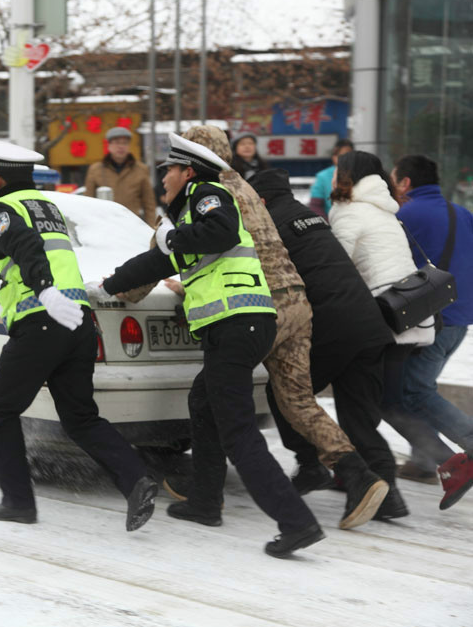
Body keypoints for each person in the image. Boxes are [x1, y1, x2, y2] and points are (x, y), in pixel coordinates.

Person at [132, 125, 387, 530]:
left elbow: (165, 251)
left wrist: (122, 290)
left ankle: (210, 493)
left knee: (213, 398)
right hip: (297, 305)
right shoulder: (248, 189)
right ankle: (358, 474)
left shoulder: (203, 192)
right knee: (297, 401)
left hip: (256, 307)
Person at [102, 133, 324, 558]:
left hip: (236, 325)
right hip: (243, 325)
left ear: (187, 172)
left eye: (168, 170)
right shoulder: (189, 219)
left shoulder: (209, 194)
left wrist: (175, 240)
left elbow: (219, 232)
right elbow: (158, 261)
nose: (163, 177)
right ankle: (204, 501)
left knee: (239, 433)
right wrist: (109, 284)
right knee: (203, 402)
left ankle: (297, 522)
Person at [0, 140, 159, 530]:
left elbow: (27, 249)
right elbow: (34, 254)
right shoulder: (48, 208)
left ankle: (18, 501)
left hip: (41, 319)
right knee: (79, 416)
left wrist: (43, 289)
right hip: (78, 322)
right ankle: (136, 480)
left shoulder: (2, 208)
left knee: (2, 411)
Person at [249, 168, 407, 520]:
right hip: (369, 324)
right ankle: (389, 498)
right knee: (357, 416)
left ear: (258, 199)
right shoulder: (310, 216)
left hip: (331, 326)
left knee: (289, 395)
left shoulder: (267, 225)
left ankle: (312, 466)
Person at [328, 150, 439, 518]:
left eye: (337, 169)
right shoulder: (385, 209)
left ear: (348, 175)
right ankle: (361, 478)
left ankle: (382, 490)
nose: (332, 175)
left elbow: (334, 268)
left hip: (375, 323)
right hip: (408, 321)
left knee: (359, 407)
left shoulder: (348, 211)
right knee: (368, 405)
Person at [389, 155, 473, 510]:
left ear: (405, 183)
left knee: (412, 391)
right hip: (460, 318)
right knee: (418, 385)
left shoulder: (406, 215)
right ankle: (424, 461)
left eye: (394, 181)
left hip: (432, 321)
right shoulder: (462, 213)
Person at [84, 126, 158, 226]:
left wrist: (151, 228)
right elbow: (88, 201)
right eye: (117, 143)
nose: (121, 147)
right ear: (109, 145)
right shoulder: (96, 169)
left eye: (125, 143)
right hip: (104, 224)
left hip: (132, 223)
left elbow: (149, 203)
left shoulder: (141, 169)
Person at [309, 139, 354, 217]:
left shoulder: (360, 173)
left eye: (348, 156)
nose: (344, 160)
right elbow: (315, 205)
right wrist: (326, 225)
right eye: (340, 156)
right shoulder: (323, 176)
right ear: (333, 157)